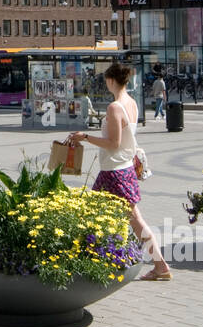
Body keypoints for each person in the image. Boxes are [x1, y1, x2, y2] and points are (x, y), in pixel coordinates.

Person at [68, 62, 172, 282]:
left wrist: (85, 137)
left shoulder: (115, 107)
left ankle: (156, 265)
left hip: (114, 171)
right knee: (121, 218)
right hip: (122, 169)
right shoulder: (131, 103)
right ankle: (151, 263)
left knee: (122, 219)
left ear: (111, 80)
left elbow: (113, 143)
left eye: (106, 80)